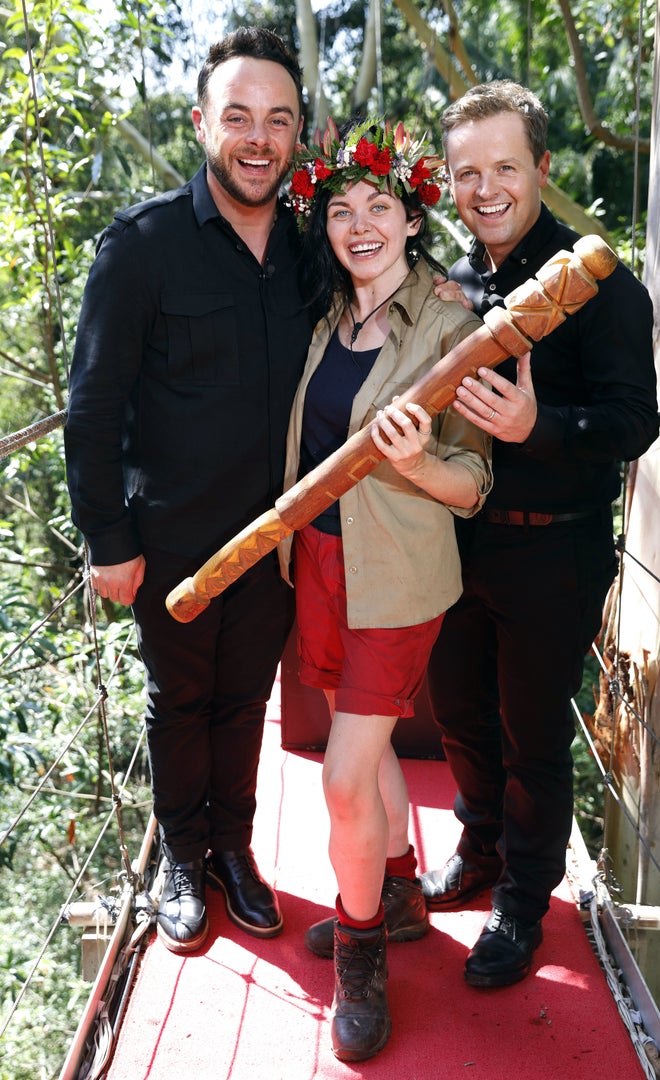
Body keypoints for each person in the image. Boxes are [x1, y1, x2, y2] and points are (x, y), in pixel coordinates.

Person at [64, 28, 313, 954]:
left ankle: (235, 852)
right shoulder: (142, 246)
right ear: (203, 122)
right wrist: (108, 540)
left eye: (277, 120)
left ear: (296, 136)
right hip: (170, 539)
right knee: (181, 700)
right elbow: (91, 409)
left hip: (280, 536)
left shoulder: (311, 246)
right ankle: (181, 853)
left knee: (247, 701)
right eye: (239, 116)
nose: (258, 137)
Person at [421, 81, 658, 988]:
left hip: (555, 551)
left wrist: (538, 426)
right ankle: (478, 850)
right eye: (467, 172)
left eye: (505, 168)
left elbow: (635, 420)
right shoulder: (455, 280)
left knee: (532, 737)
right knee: (460, 713)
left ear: (542, 169)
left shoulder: (601, 281)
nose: (485, 189)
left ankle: (523, 901)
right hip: (459, 542)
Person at [281, 118, 492, 1061]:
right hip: (319, 566)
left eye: (380, 207)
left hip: (399, 579)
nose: (359, 223)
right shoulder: (330, 320)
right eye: (341, 209)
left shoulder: (451, 326)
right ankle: (399, 894)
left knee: (338, 778)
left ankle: (361, 956)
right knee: (362, 766)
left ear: (413, 219)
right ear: (324, 226)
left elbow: (473, 483)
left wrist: (414, 464)